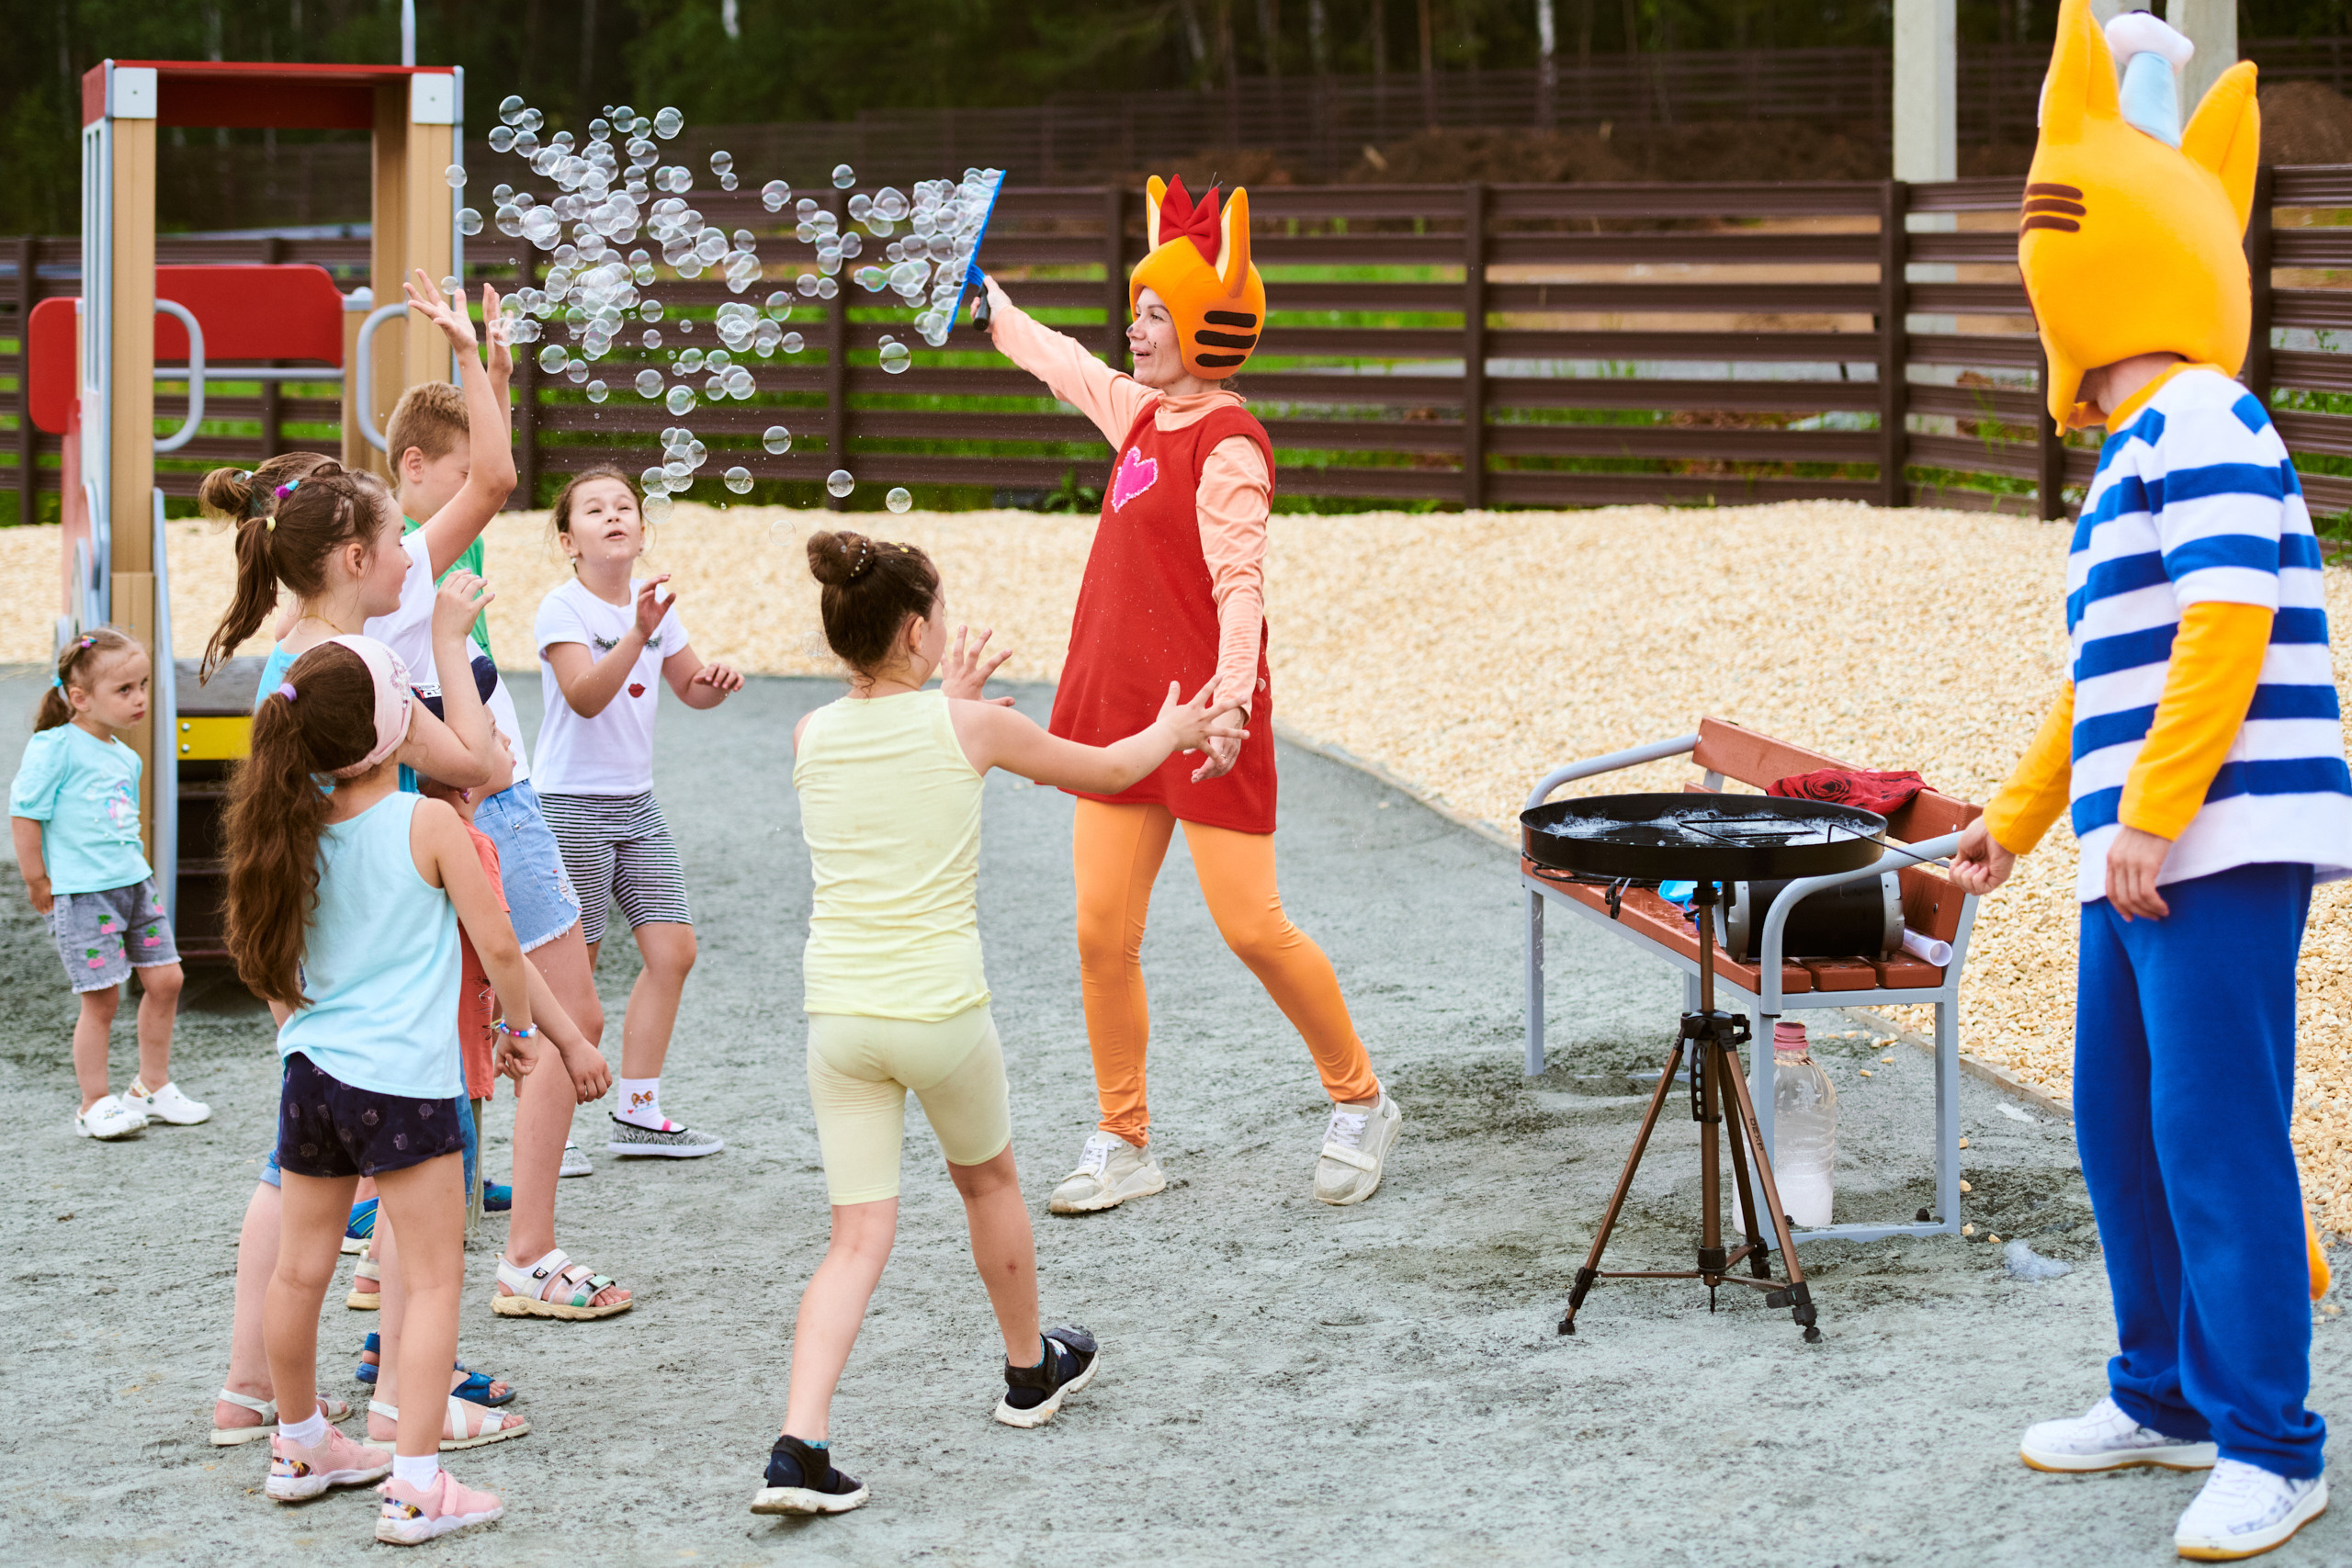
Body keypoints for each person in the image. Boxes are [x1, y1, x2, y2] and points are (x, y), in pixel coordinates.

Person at [1951, 7, 2352, 1561]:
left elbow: (2229, 623)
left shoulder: (2209, 416)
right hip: (2143, 844)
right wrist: (2013, 819)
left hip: (2211, 840)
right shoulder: (2130, 449)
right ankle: (2165, 1391)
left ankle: (2274, 1438)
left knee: (2216, 1129)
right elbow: (2098, 686)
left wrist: (2160, 815)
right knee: (2121, 1124)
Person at [753, 529, 1246, 1517]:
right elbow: (1107, 771)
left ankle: (797, 1446)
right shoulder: (966, 730)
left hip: (839, 1020)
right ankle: (1030, 1371)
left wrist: (952, 699)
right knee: (988, 1184)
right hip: (940, 1013)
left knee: (855, 1238)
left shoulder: (810, 733)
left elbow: (897, 759)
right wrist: (1180, 725)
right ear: (915, 629)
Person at [980, 175, 1400, 1213]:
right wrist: (991, 305)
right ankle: (1123, 1138)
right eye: (1136, 309)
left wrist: (1232, 704)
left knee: (1252, 927)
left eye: (1156, 312)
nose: (1135, 328)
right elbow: (1064, 365)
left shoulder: (1229, 443)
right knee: (1098, 936)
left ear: (1208, 325)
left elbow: (1238, 585)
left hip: (1206, 719)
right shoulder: (1141, 415)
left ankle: (1360, 1099)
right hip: (1120, 717)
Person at [225, 633, 536, 1544]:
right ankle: (414, 1485)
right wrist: (515, 1031)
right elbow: (502, 949)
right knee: (435, 1280)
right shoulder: (428, 824)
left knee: (300, 1271)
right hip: (405, 1086)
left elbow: (275, 972)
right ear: (386, 730)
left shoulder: (288, 829)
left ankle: (299, 1445)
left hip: (309, 1076)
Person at [379, 353, 610, 1193]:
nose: (482, 480)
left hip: (461, 801)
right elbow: (498, 476)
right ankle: (527, 1245)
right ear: (414, 469)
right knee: (570, 1014)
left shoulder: (414, 558)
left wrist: (498, 383)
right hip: (493, 801)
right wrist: (477, 362)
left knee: (460, 1008)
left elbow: (489, 469)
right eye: (461, 468)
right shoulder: (404, 566)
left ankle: (454, 1181)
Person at [532, 467, 743, 1160]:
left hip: (636, 803)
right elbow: (585, 695)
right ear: (570, 540)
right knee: (576, 974)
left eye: (625, 506)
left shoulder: (656, 607)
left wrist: (716, 684)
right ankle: (551, 1126)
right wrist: (636, 632)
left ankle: (638, 1106)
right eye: (594, 510)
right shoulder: (562, 609)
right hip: (571, 805)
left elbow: (688, 688)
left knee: (673, 950)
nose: (614, 515)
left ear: (642, 532)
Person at [10, 627, 203, 1138]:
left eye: (142, 685)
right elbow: (25, 813)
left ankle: (151, 1086)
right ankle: (94, 1102)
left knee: (167, 981)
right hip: (83, 894)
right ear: (80, 698)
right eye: (124, 690)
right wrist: (37, 879)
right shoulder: (55, 747)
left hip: (135, 885)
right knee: (102, 999)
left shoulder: (126, 755)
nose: (140, 698)